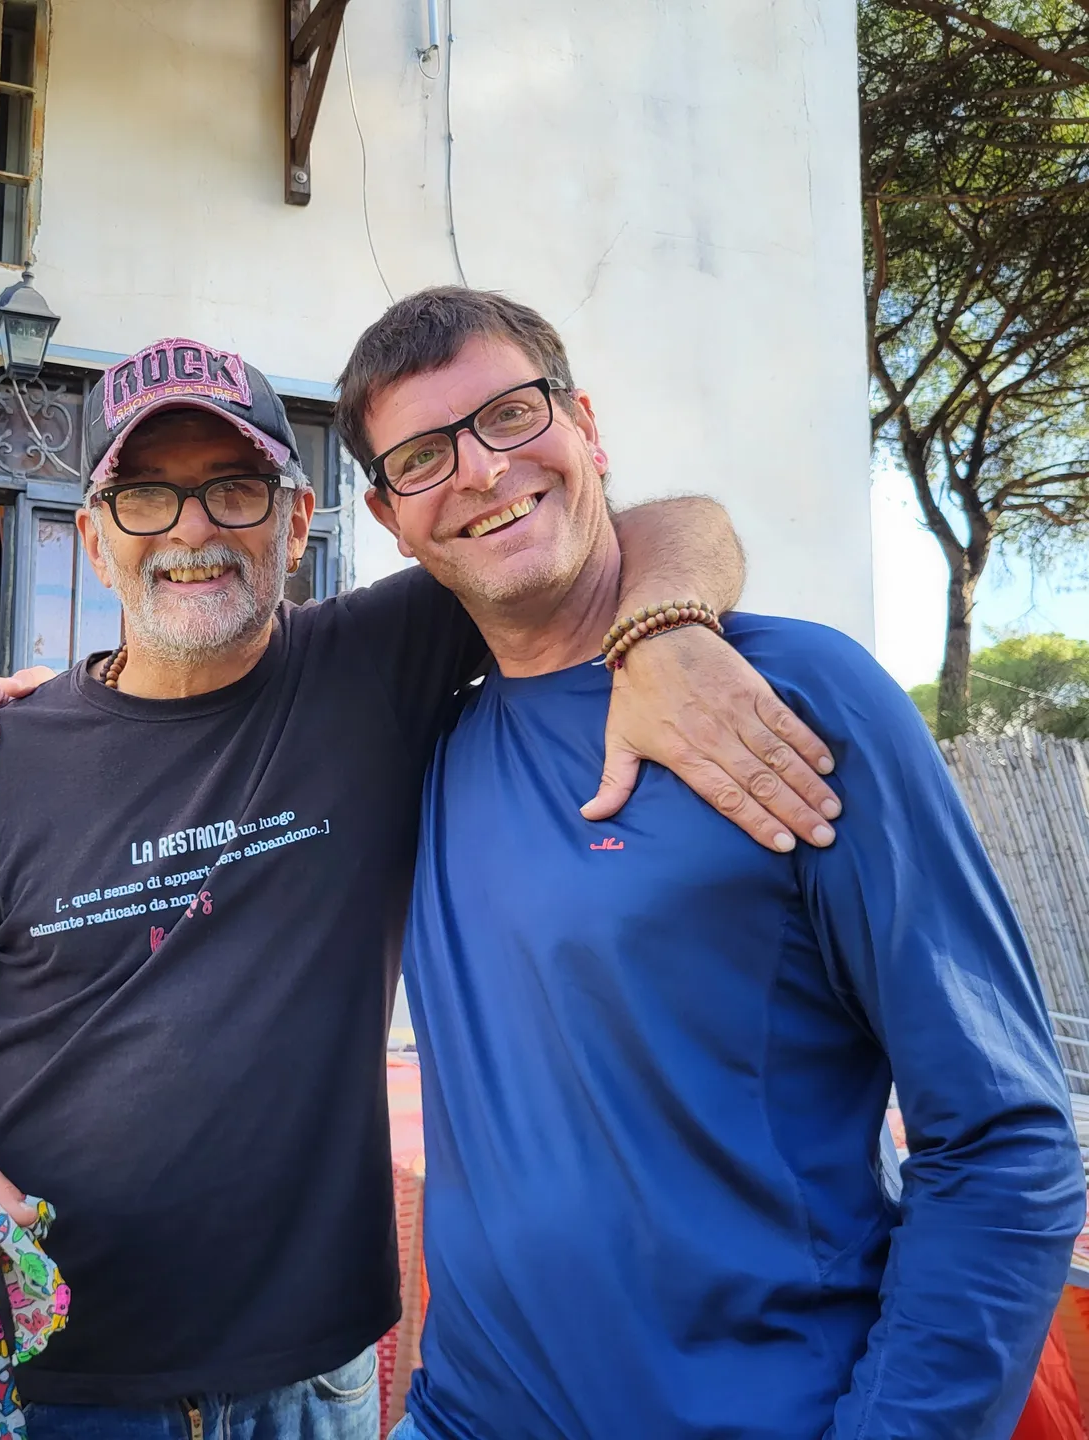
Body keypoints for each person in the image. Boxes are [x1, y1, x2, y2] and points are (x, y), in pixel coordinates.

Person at [0, 333, 841, 1439]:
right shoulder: (2, 756)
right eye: (145, 497)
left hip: (313, 1382)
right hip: (53, 1367)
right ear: (93, 538)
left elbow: (663, 524)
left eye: (234, 488)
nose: (191, 531)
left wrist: (666, 631)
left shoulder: (375, 661)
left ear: (296, 519)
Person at [318, 287, 1083, 1439]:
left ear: (585, 424)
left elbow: (1003, 1142)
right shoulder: (425, 741)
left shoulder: (795, 699)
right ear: (388, 515)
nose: (479, 469)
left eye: (511, 415)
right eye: (424, 455)